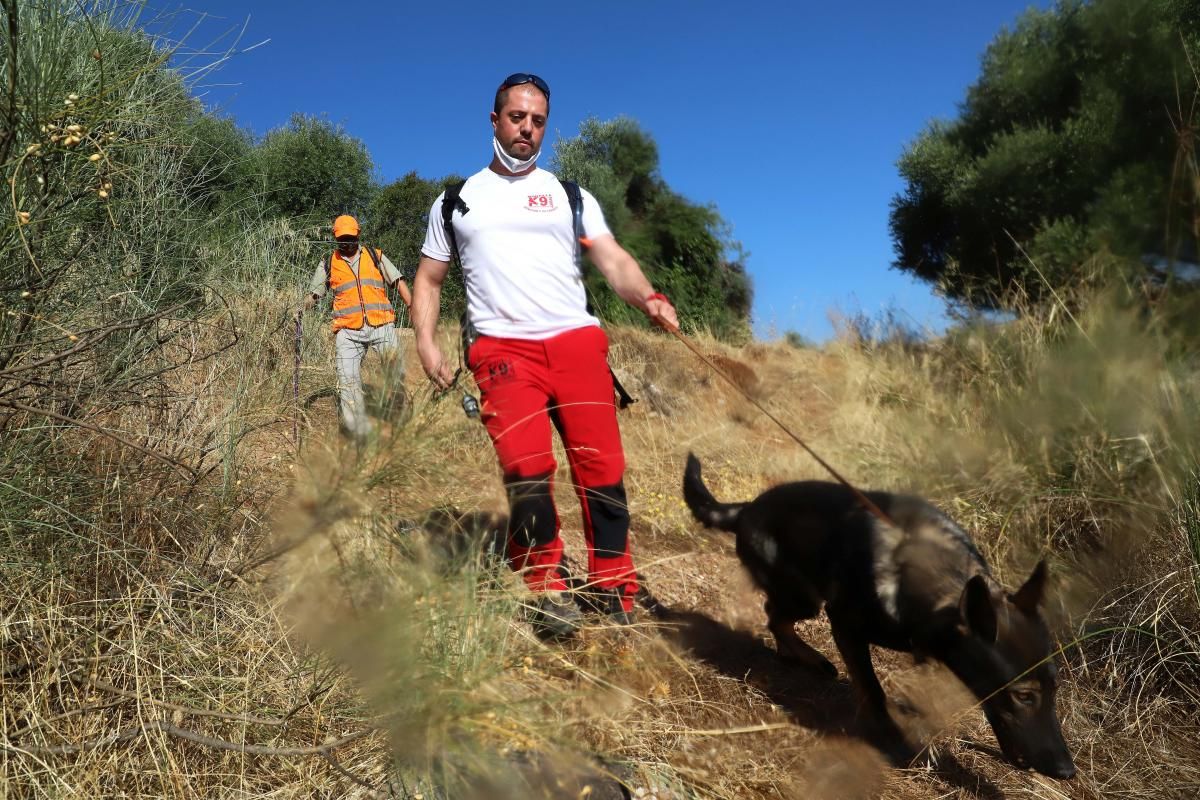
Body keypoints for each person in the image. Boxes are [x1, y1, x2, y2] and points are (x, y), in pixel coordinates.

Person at [410, 72, 679, 637]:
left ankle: (614, 583)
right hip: (503, 352)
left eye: (537, 122)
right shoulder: (457, 200)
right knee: (527, 471)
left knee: (601, 469)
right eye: (516, 118)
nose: (527, 130)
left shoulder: (570, 195)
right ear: (494, 120)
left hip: (577, 345)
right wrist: (426, 341)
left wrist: (649, 296)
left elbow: (612, 258)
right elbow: (430, 280)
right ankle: (545, 587)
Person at [301, 214, 412, 442]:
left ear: (358, 234)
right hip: (348, 331)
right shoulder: (328, 263)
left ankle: (401, 422)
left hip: (381, 324)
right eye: (342, 239)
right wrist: (300, 310)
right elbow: (315, 293)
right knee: (349, 381)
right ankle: (358, 434)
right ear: (335, 238)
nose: (347, 242)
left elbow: (398, 281)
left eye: (351, 237)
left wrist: (412, 305)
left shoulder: (375, 255)